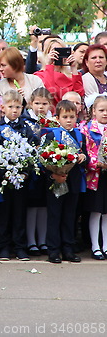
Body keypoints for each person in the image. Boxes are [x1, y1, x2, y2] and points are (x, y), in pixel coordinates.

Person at [0, 90, 40, 261]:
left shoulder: (26, 129)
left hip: (22, 178)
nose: (14, 110)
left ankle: (20, 247)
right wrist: (3, 173)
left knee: (20, 213)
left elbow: (32, 152)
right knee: (3, 213)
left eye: (18, 107)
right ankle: (3, 247)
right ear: (3, 108)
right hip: (3, 179)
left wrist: (25, 172)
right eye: (11, 106)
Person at [43, 100, 87, 264]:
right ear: (57, 118)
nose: (69, 120)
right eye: (65, 117)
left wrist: (83, 158)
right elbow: (43, 160)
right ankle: (53, 250)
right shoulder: (50, 135)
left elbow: (86, 157)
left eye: (72, 117)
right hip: (55, 181)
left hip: (73, 181)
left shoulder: (80, 136)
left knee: (70, 216)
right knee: (54, 216)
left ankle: (68, 248)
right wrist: (53, 175)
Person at [24, 87, 54, 256]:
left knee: (44, 206)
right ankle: (31, 241)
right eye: (37, 103)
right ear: (30, 103)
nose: (41, 107)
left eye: (44, 104)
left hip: (48, 169)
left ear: (50, 105)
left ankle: (42, 241)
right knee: (32, 206)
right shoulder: (25, 120)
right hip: (31, 170)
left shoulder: (53, 122)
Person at [80, 94, 107, 260]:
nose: (105, 113)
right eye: (101, 110)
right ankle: (95, 246)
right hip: (95, 176)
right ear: (93, 112)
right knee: (96, 211)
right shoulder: (87, 129)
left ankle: (106, 245)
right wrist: (97, 163)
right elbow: (87, 151)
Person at [33, 38, 84, 107]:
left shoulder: (71, 76)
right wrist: (49, 64)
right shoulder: (39, 75)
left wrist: (74, 68)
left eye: (61, 50)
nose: (58, 54)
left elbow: (79, 95)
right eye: (54, 51)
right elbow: (49, 92)